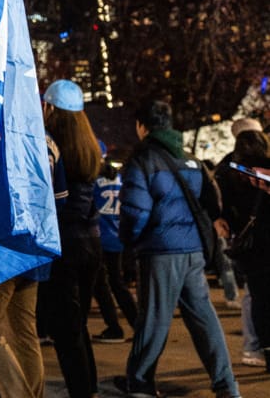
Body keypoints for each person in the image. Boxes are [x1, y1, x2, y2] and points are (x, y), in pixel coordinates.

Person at [117, 99, 241, 398]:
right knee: (203, 318)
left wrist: (129, 240)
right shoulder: (191, 159)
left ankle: (141, 383)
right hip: (193, 251)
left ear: (142, 126)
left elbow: (136, 211)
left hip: (160, 251)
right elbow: (211, 204)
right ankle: (227, 386)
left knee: (153, 320)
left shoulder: (143, 159)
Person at [39, 80, 102, 398]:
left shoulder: (49, 143)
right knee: (78, 324)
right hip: (92, 241)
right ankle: (87, 386)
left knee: (65, 328)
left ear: (50, 108)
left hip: (64, 242)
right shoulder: (92, 146)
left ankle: (81, 390)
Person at [216, 129, 270, 373]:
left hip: (249, 245)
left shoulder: (229, 172)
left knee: (258, 298)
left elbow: (217, 203)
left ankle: (265, 349)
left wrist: (220, 219)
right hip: (266, 240)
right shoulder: (266, 168)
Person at [90, 155, 137, 343]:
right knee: (117, 282)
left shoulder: (93, 179)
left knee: (100, 285)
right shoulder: (117, 177)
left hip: (100, 234)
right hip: (117, 233)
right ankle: (137, 324)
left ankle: (114, 327)